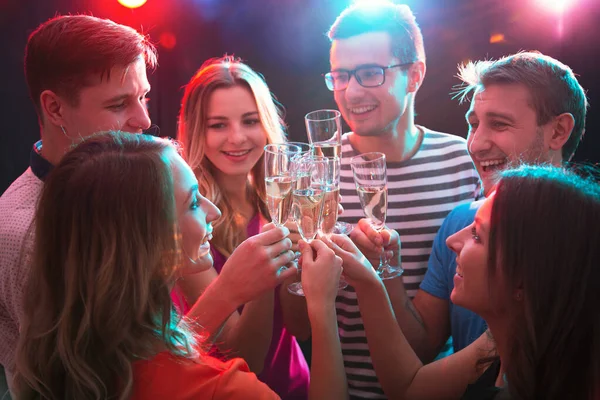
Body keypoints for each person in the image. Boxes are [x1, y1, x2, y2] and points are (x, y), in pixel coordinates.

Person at [14, 132, 348, 400]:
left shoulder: (60, 361)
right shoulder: (222, 388)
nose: (212, 211)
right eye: (192, 202)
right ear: (146, 240)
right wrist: (322, 306)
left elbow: (163, 355)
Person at [351, 51, 589, 364]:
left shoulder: (588, 233)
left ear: (558, 131)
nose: (475, 144)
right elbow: (420, 348)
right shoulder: (460, 223)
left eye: (500, 125)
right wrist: (385, 268)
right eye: (474, 125)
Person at [323, 164, 600, 399]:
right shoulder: (509, 337)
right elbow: (410, 388)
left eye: (477, 235)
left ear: (525, 278)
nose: (452, 241)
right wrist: (371, 281)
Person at [321, 2, 479, 396]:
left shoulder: (463, 160)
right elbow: (299, 324)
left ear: (414, 75)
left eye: (370, 73)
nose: (351, 91)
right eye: (340, 76)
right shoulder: (319, 172)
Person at [0, 14, 156, 390]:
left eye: (143, 97)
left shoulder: (128, 179)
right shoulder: (22, 235)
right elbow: (98, 384)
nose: (145, 120)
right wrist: (228, 292)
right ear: (54, 109)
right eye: (119, 104)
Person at [176, 55, 310, 399]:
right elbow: (241, 357)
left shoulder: (282, 202)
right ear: (196, 131)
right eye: (218, 125)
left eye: (250, 121)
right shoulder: (187, 222)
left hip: (297, 389)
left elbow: (301, 328)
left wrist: (306, 257)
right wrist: (266, 267)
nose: (237, 138)